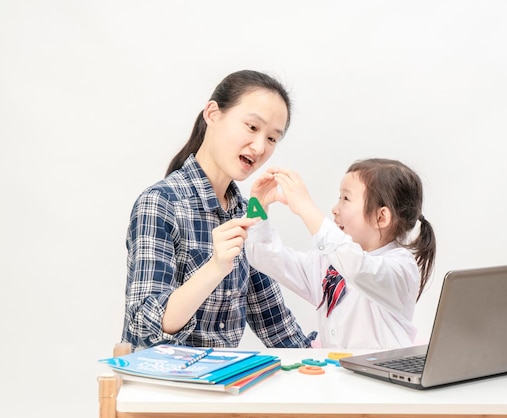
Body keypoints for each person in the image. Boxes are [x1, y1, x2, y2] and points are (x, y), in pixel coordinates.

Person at [121, 70, 313, 351]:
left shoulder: (245, 213)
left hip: (221, 387)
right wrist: (215, 268)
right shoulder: (160, 203)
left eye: (272, 138)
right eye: (252, 127)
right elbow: (143, 325)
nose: (260, 146)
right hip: (163, 387)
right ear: (212, 113)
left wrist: (327, 365)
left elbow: (275, 323)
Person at [245, 158, 436, 349]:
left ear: (381, 217)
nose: (335, 209)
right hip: (339, 375)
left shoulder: (399, 267)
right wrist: (257, 206)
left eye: (346, 199)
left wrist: (305, 208)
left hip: (381, 377)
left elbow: (357, 268)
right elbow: (266, 257)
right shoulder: (326, 262)